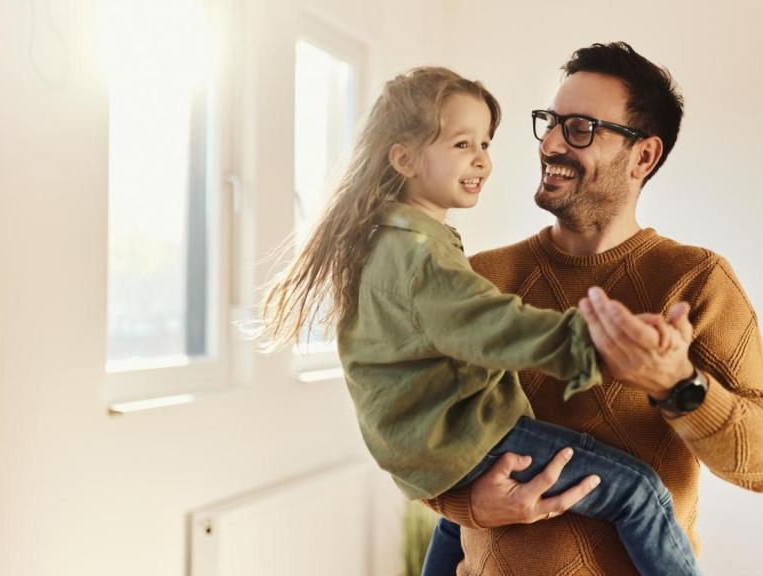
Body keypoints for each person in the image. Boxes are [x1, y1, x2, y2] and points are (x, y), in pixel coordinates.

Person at [257, 66, 701, 576]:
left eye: (485, 143)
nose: (482, 161)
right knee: (640, 491)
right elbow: (493, 325)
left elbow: (762, 460)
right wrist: (598, 345)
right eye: (462, 143)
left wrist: (685, 386)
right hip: (465, 440)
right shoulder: (422, 256)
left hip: (432, 451)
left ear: (644, 155)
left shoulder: (390, 243)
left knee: (456, 527)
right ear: (403, 158)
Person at [423, 42, 763, 576]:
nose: (550, 144)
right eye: (549, 122)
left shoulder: (695, 281)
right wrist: (468, 506)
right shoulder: (479, 278)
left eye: (579, 128)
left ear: (643, 155)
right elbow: (421, 436)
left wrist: (680, 386)